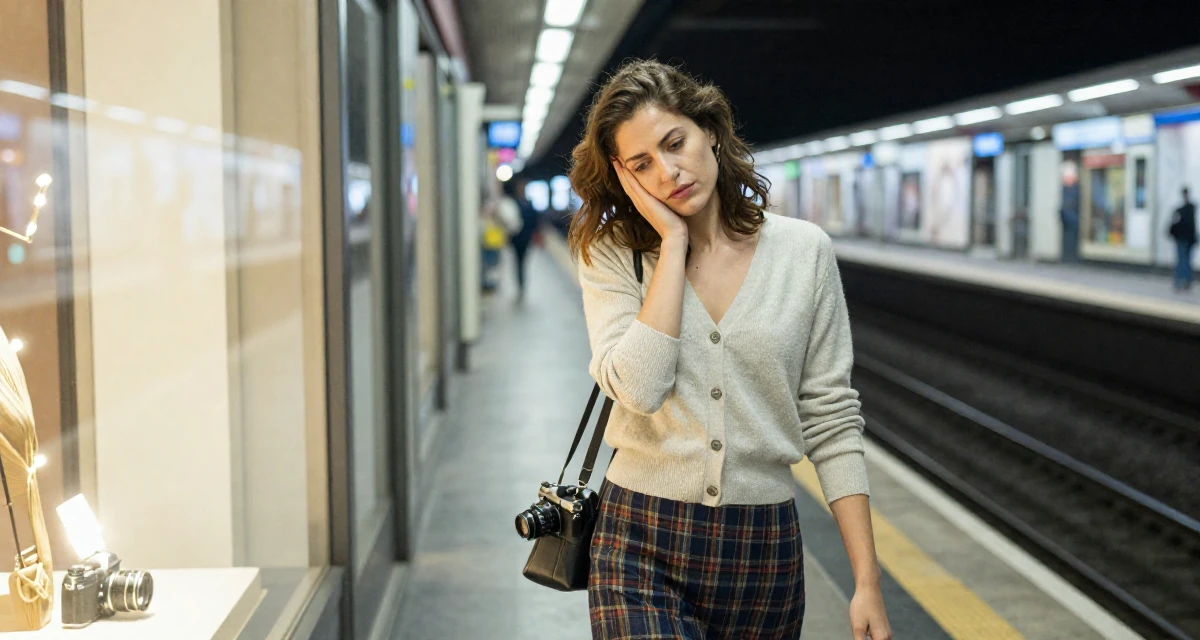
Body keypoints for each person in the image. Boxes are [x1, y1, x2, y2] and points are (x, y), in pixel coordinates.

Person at [567, 59, 892, 640]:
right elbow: (638, 387)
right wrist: (671, 245)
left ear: (710, 130)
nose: (668, 172)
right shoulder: (611, 252)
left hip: (761, 550)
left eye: (675, 143)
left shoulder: (803, 252)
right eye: (642, 164)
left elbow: (831, 418)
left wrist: (866, 581)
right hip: (639, 540)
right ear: (622, 174)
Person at [506, 178, 541, 301]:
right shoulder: (514, 203)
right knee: (518, 262)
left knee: (522, 262)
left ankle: (522, 285)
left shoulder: (528, 204)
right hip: (516, 238)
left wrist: (536, 235)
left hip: (526, 238)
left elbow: (535, 221)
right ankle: (520, 284)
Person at [1168, 187, 1196, 292]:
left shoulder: (1181, 210)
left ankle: (1179, 282)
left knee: (1181, 261)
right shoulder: (1192, 209)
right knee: (1187, 261)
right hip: (1190, 239)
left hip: (1182, 238)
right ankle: (1186, 281)